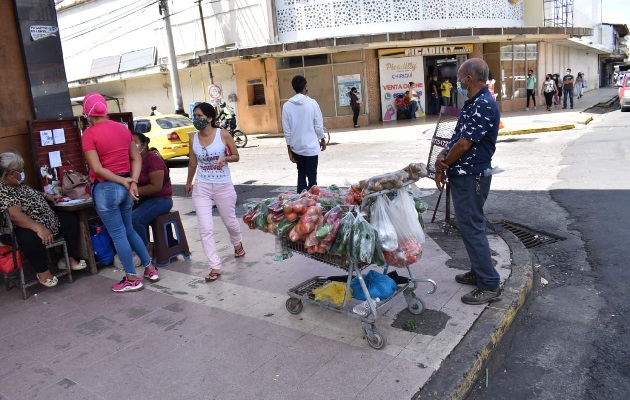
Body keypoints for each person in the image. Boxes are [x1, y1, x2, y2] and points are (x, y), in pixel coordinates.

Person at [433, 58, 502, 305]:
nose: (457, 83)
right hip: (462, 175)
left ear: (469, 79)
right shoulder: (473, 103)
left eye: (459, 77)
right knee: (469, 227)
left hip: (471, 177)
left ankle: (490, 284)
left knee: (473, 228)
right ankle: (479, 271)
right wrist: (442, 159)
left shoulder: (483, 104)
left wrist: (445, 164)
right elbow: (456, 138)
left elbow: (465, 144)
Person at [82, 92, 159, 293]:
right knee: (129, 230)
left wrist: (123, 181)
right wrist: (131, 181)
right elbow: (136, 158)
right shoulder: (123, 130)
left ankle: (132, 279)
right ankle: (150, 268)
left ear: (87, 113)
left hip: (107, 189)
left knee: (118, 235)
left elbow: (97, 169)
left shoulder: (89, 134)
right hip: (126, 189)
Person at [0, 152, 86, 288]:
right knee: (29, 237)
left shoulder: (18, 184)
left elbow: (31, 192)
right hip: (21, 229)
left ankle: (67, 258)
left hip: (46, 223)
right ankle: (42, 271)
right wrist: (39, 228)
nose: (22, 173)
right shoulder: (4, 190)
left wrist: (47, 196)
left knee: (69, 219)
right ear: (9, 173)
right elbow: (15, 216)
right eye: (20, 171)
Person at [185, 102, 244, 283]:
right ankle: (215, 266)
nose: (197, 119)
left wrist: (225, 158)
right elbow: (193, 162)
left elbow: (236, 156)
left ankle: (237, 243)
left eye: (200, 116)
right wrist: (189, 182)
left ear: (210, 118)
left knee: (230, 222)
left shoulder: (223, 134)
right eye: (195, 116)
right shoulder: (193, 138)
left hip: (222, 185)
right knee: (205, 228)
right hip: (202, 185)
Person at [282, 75, 326, 194]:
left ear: (293, 88)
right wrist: (322, 139)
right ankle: (312, 207)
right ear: (305, 86)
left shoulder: (286, 106)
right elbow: (318, 125)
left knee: (301, 174)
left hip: (297, 148)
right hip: (311, 147)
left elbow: (287, 131)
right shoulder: (312, 103)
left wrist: (289, 149)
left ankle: (299, 206)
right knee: (312, 178)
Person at [131, 132, 173, 254]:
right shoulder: (134, 160)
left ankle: (145, 250)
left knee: (135, 219)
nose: (131, 146)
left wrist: (133, 191)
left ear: (143, 145)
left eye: (135, 143)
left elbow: (156, 187)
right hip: (144, 199)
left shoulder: (153, 159)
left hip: (161, 199)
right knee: (122, 214)